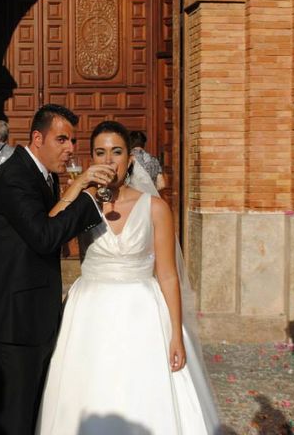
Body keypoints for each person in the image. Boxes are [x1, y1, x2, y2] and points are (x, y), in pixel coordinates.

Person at [36, 121, 220, 435]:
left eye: (116, 152)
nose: (109, 160)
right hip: (89, 311)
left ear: (130, 159)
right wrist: (79, 185)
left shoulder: (156, 207)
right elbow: (48, 230)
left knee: (143, 389)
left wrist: (176, 333)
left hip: (142, 312)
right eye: (100, 153)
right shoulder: (84, 204)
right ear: (92, 160)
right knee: (89, 386)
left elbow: (167, 275)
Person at [0, 104, 116, 434]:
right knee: (12, 421)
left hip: (32, 317)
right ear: (37, 138)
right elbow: (43, 236)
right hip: (12, 320)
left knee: (29, 415)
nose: (70, 148)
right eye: (62, 139)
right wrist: (86, 195)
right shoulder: (14, 177)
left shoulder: (44, 175)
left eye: (73, 141)